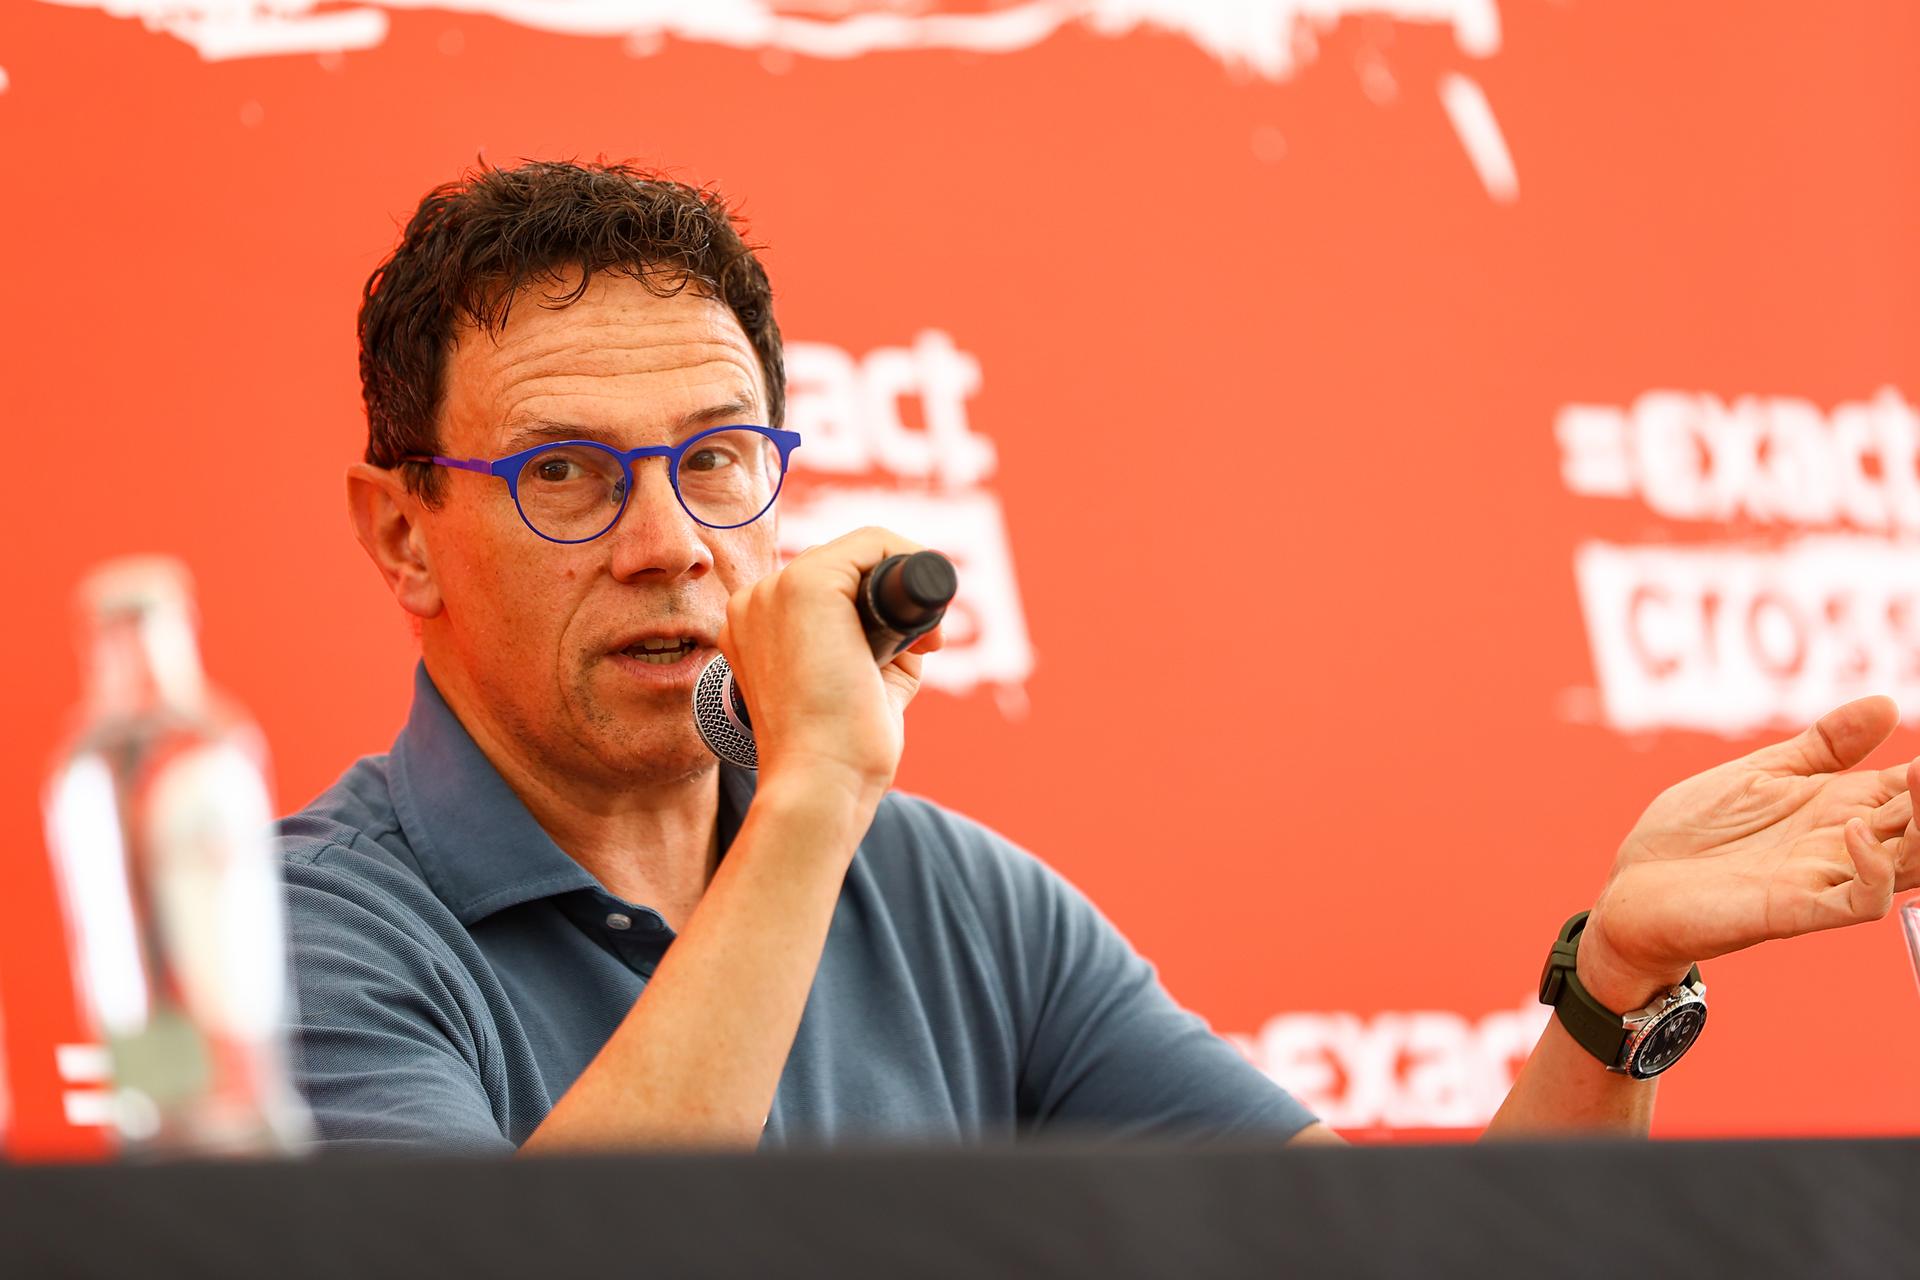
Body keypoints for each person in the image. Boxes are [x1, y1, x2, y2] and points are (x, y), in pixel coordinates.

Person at [280, 159, 1920, 1152]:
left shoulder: (949, 899)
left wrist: (1609, 986)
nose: (668, 542)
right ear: (401, 531)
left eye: (716, 460)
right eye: (563, 474)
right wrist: (807, 807)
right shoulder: (293, 946)